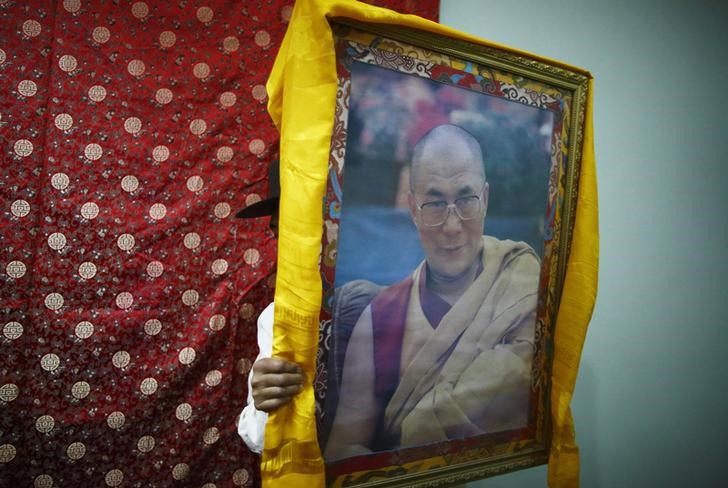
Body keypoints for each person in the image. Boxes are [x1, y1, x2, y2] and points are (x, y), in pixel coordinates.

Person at [324, 124, 541, 459]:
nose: (453, 227)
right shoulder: (380, 317)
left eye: (466, 200)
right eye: (435, 204)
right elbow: (343, 448)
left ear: (484, 199)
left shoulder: (520, 280)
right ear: (412, 209)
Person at [235, 160, 304, 454]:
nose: (284, 247)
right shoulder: (276, 317)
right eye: (279, 233)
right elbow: (257, 440)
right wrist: (265, 404)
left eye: (299, 228)